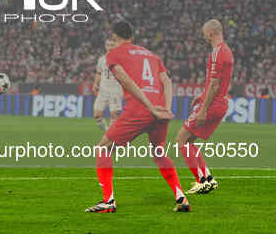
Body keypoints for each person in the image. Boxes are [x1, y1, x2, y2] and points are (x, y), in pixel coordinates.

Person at [85, 20, 190, 213]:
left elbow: (124, 78)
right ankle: (181, 197)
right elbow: (166, 81)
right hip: (159, 110)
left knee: (103, 149)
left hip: (140, 109)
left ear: (114, 36)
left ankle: (108, 201)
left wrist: (149, 106)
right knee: (159, 153)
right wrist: (165, 108)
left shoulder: (114, 54)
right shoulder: (152, 55)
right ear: (132, 37)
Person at [176, 19, 234, 194]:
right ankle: (208, 178)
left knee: (181, 140)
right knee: (190, 142)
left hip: (213, 105)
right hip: (219, 102)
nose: (203, 37)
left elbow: (215, 85)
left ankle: (201, 181)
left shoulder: (218, 52)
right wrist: (201, 97)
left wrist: (203, 109)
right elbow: (220, 83)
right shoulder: (227, 51)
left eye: (204, 33)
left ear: (210, 33)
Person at [93, 38, 123, 131]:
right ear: (105, 46)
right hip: (103, 90)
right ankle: (107, 132)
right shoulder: (101, 59)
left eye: (112, 45)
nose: (109, 47)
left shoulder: (121, 59)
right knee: (97, 115)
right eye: (108, 45)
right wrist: (95, 84)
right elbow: (99, 73)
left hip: (116, 90)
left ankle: (110, 138)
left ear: (116, 45)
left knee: (114, 116)